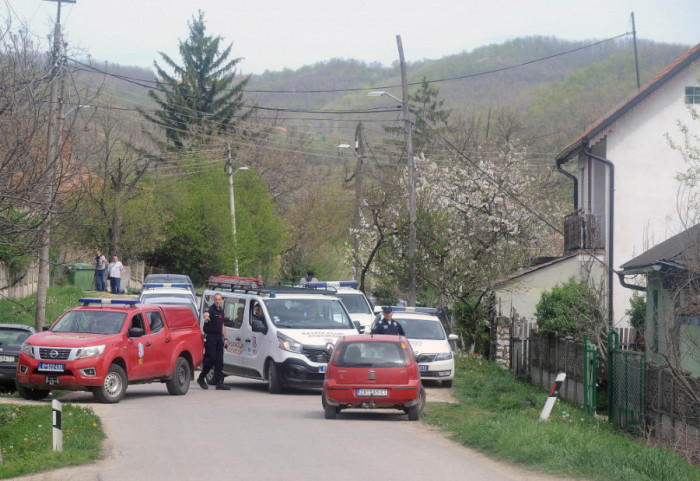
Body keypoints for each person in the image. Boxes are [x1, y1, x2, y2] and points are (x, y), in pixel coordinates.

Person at [198, 293, 231, 390]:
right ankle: (201, 377)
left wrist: (225, 338)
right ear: (214, 300)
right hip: (210, 337)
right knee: (211, 359)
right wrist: (206, 317)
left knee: (219, 360)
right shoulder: (210, 309)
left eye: (219, 299)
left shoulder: (221, 310)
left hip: (218, 338)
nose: (217, 301)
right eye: (216, 299)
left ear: (221, 301)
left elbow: (222, 326)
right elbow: (206, 314)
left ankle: (219, 382)